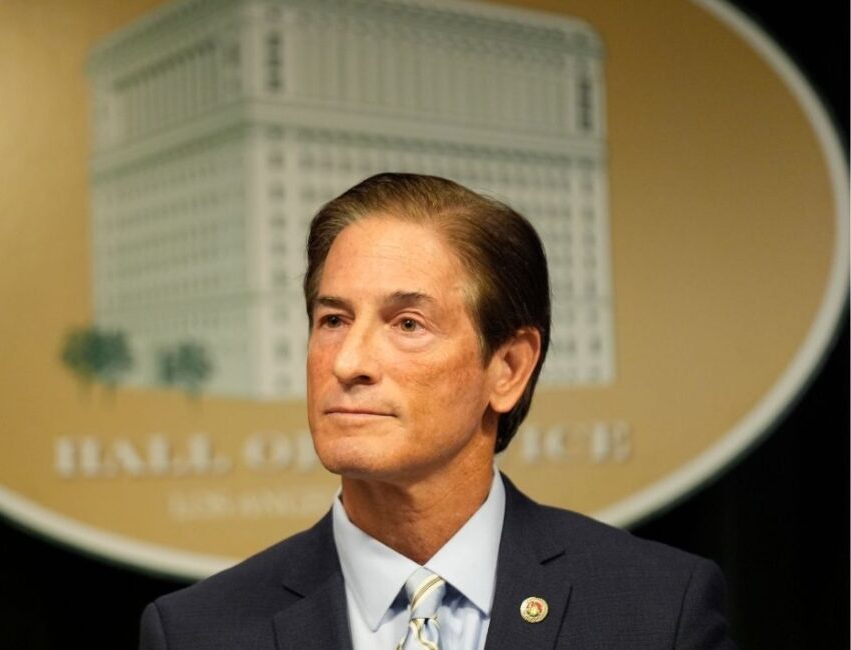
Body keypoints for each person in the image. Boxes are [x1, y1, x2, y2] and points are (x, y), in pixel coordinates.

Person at [138, 173, 737, 649]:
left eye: (407, 323)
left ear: (508, 369)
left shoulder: (655, 611)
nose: (348, 361)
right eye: (333, 320)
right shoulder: (201, 631)